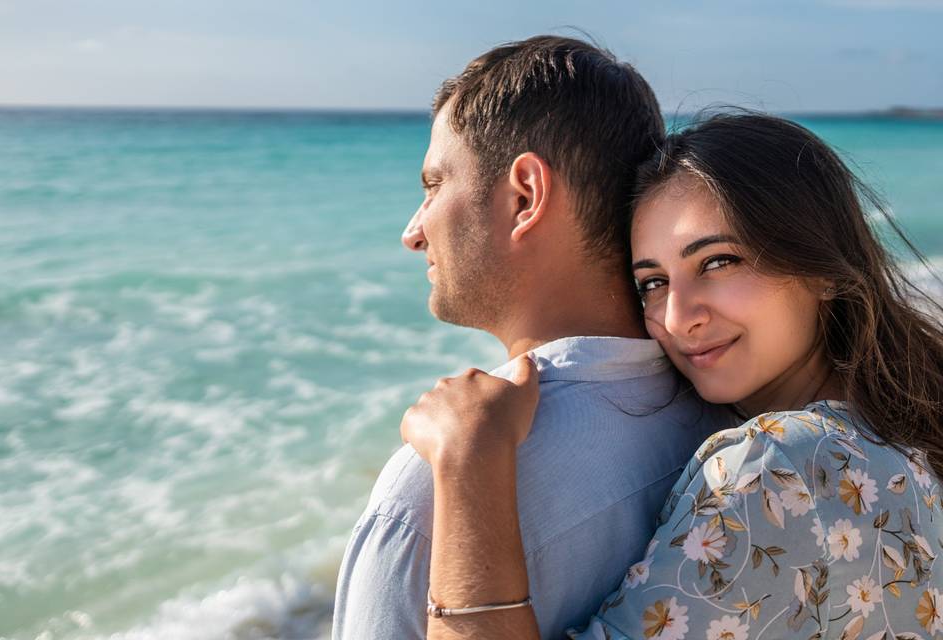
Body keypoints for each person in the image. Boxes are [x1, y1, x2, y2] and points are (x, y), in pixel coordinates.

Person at [401, 113, 943, 639]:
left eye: (717, 262)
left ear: (823, 267)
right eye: (652, 283)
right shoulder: (901, 435)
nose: (679, 318)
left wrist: (471, 459)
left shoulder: (777, 466)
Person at [331, 37, 727, 640]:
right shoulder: (725, 416)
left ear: (525, 196)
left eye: (434, 184)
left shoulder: (436, 495)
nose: (413, 232)